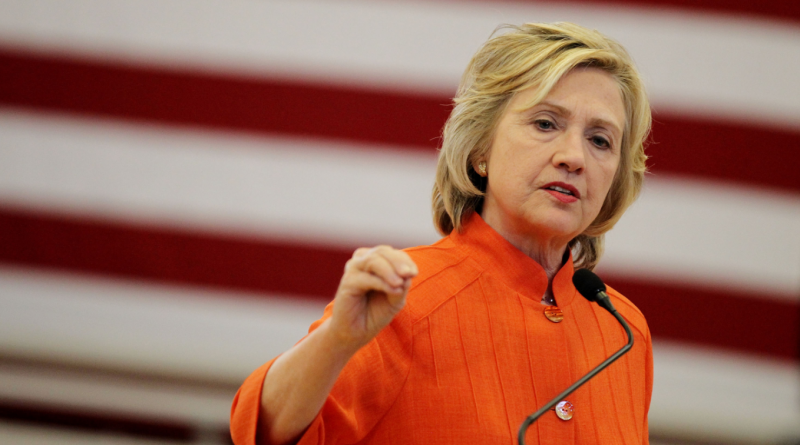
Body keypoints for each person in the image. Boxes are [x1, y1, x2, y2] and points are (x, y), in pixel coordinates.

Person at [231, 22, 653, 445]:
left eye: (600, 140)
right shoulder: (403, 301)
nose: (574, 157)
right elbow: (262, 431)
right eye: (545, 124)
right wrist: (338, 340)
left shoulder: (623, 330)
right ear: (480, 150)